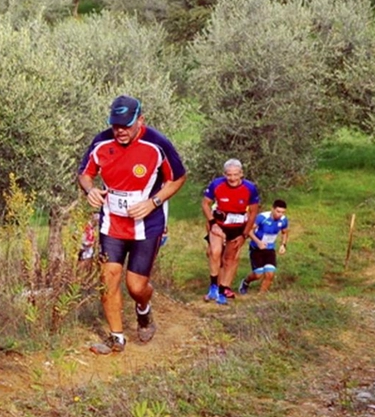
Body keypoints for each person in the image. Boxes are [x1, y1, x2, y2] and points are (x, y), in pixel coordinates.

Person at [77, 95, 187, 355]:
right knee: (108, 279)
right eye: (116, 126)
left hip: (146, 224)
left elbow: (178, 178)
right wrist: (90, 190)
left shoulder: (157, 144)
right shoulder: (101, 141)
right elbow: (84, 173)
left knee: (136, 286)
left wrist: (154, 202)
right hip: (112, 223)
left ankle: (143, 311)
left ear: (141, 120)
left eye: (126, 125)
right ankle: (117, 339)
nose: (120, 131)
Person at [201, 159, 260, 305]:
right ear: (224, 174)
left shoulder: (250, 188)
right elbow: (205, 203)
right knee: (214, 252)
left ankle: (223, 290)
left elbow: (253, 213)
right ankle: (213, 286)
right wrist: (212, 223)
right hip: (219, 224)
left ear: (241, 174)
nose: (232, 178)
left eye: (235, 175)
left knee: (230, 259)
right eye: (229, 175)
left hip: (238, 227)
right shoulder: (217, 184)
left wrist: (244, 235)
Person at [239, 199, 290, 294]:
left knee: (270, 274)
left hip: (270, 249)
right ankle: (246, 282)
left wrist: (283, 245)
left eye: (282, 212)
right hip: (256, 248)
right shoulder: (262, 217)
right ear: (272, 209)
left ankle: (260, 296)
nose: (280, 214)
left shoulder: (283, 220)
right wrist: (258, 242)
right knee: (258, 274)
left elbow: (285, 232)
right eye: (278, 211)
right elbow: (249, 231)